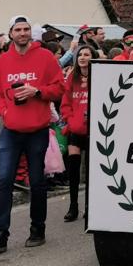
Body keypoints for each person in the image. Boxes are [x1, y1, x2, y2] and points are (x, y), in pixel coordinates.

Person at [0, 15, 65, 255]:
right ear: (10, 34)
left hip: (37, 130)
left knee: (37, 181)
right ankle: (0, 235)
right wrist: (5, 111)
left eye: (26, 29)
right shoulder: (2, 62)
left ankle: (37, 229)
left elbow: (60, 88)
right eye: (18, 29)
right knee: (4, 180)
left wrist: (37, 90)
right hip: (11, 130)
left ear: (31, 32)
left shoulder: (45, 58)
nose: (22, 33)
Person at [59, 45, 93, 222]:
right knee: (73, 171)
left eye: (86, 54)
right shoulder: (72, 77)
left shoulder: (99, 76)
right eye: (80, 54)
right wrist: (71, 120)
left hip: (94, 131)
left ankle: (90, 207)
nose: (82, 57)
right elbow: (65, 103)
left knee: (90, 172)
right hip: (75, 130)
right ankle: (73, 206)